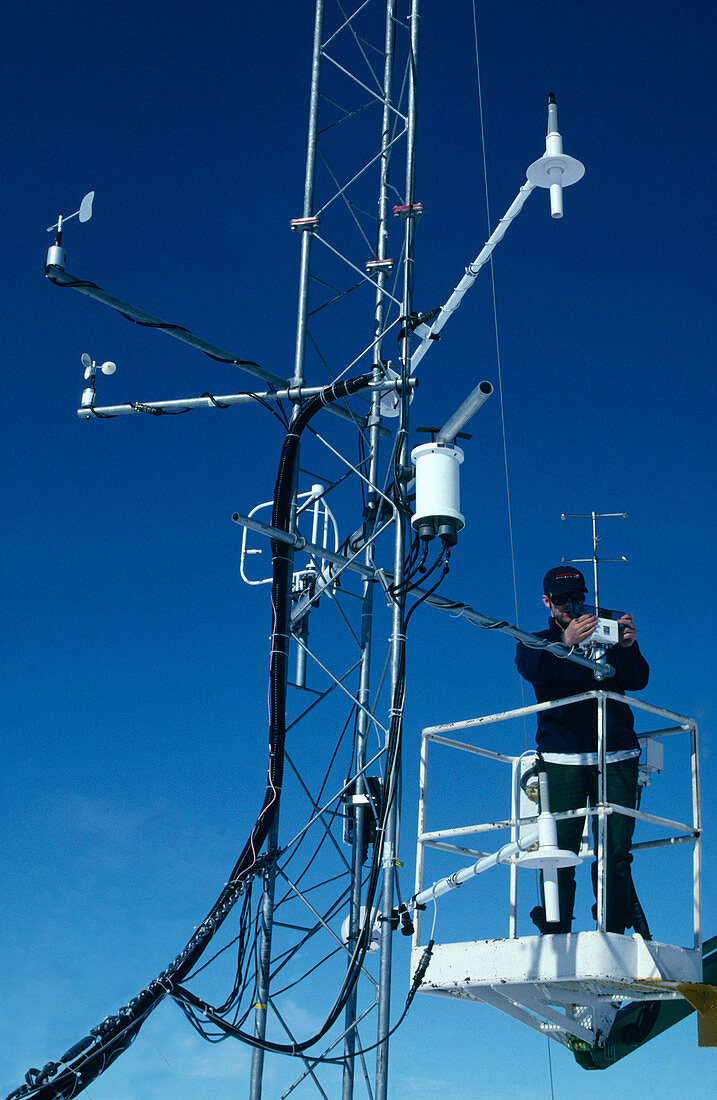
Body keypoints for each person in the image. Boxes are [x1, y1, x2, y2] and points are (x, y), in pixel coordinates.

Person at [515, 565, 649, 935]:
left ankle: (613, 925)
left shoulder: (608, 636)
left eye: (578, 598)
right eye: (563, 600)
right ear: (547, 602)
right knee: (559, 853)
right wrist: (566, 643)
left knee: (616, 853)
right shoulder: (536, 641)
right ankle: (557, 928)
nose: (572, 607)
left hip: (617, 755)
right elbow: (534, 670)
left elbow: (638, 679)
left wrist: (627, 646)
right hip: (563, 760)